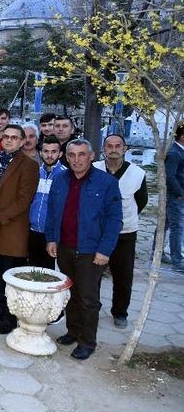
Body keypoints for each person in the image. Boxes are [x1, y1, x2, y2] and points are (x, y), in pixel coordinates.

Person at [46, 139, 122, 360]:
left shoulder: (106, 182)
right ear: (66, 157)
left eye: (81, 155)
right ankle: (72, 331)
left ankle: (87, 341)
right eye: (72, 155)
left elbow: (114, 219)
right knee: (70, 293)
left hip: (91, 250)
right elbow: (52, 212)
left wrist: (105, 250)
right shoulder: (60, 179)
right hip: (65, 247)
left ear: (92, 156)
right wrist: (52, 239)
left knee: (88, 298)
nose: (76, 160)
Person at [0, 124, 40, 335]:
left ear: (23, 141)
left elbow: (24, 200)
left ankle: (10, 319)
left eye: (14, 137)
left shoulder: (29, 165)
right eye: (6, 137)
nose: (9, 140)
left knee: (10, 279)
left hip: (12, 230)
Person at [93, 134, 147, 328]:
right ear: (103, 148)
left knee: (123, 275)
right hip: (97, 231)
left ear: (125, 149)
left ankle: (120, 312)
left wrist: (121, 220)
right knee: (93, 273)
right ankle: (92, 307)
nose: (113, 149)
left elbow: (141, 201)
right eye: (109, 146)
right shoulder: (95, 169)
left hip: (125, 232)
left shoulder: (137, 173)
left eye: (118, 146)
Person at [28, 137, 66, 270]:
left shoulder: (65, 175)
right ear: (40, 153)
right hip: (33, 231)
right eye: (46, 151)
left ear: (60, 154)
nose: (49, 155)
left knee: (50, 273)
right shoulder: (35, 173)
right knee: (33, 270)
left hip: (52, 234)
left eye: (54, 151)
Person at [162, 124, 184, 267]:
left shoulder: (178, 151)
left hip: (175, 195)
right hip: (175, 196)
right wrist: (180, 193)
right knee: (176, 227)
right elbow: (169, 176)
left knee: (165, 224)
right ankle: (177, 259)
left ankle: (157, 253)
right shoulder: (175, 153)